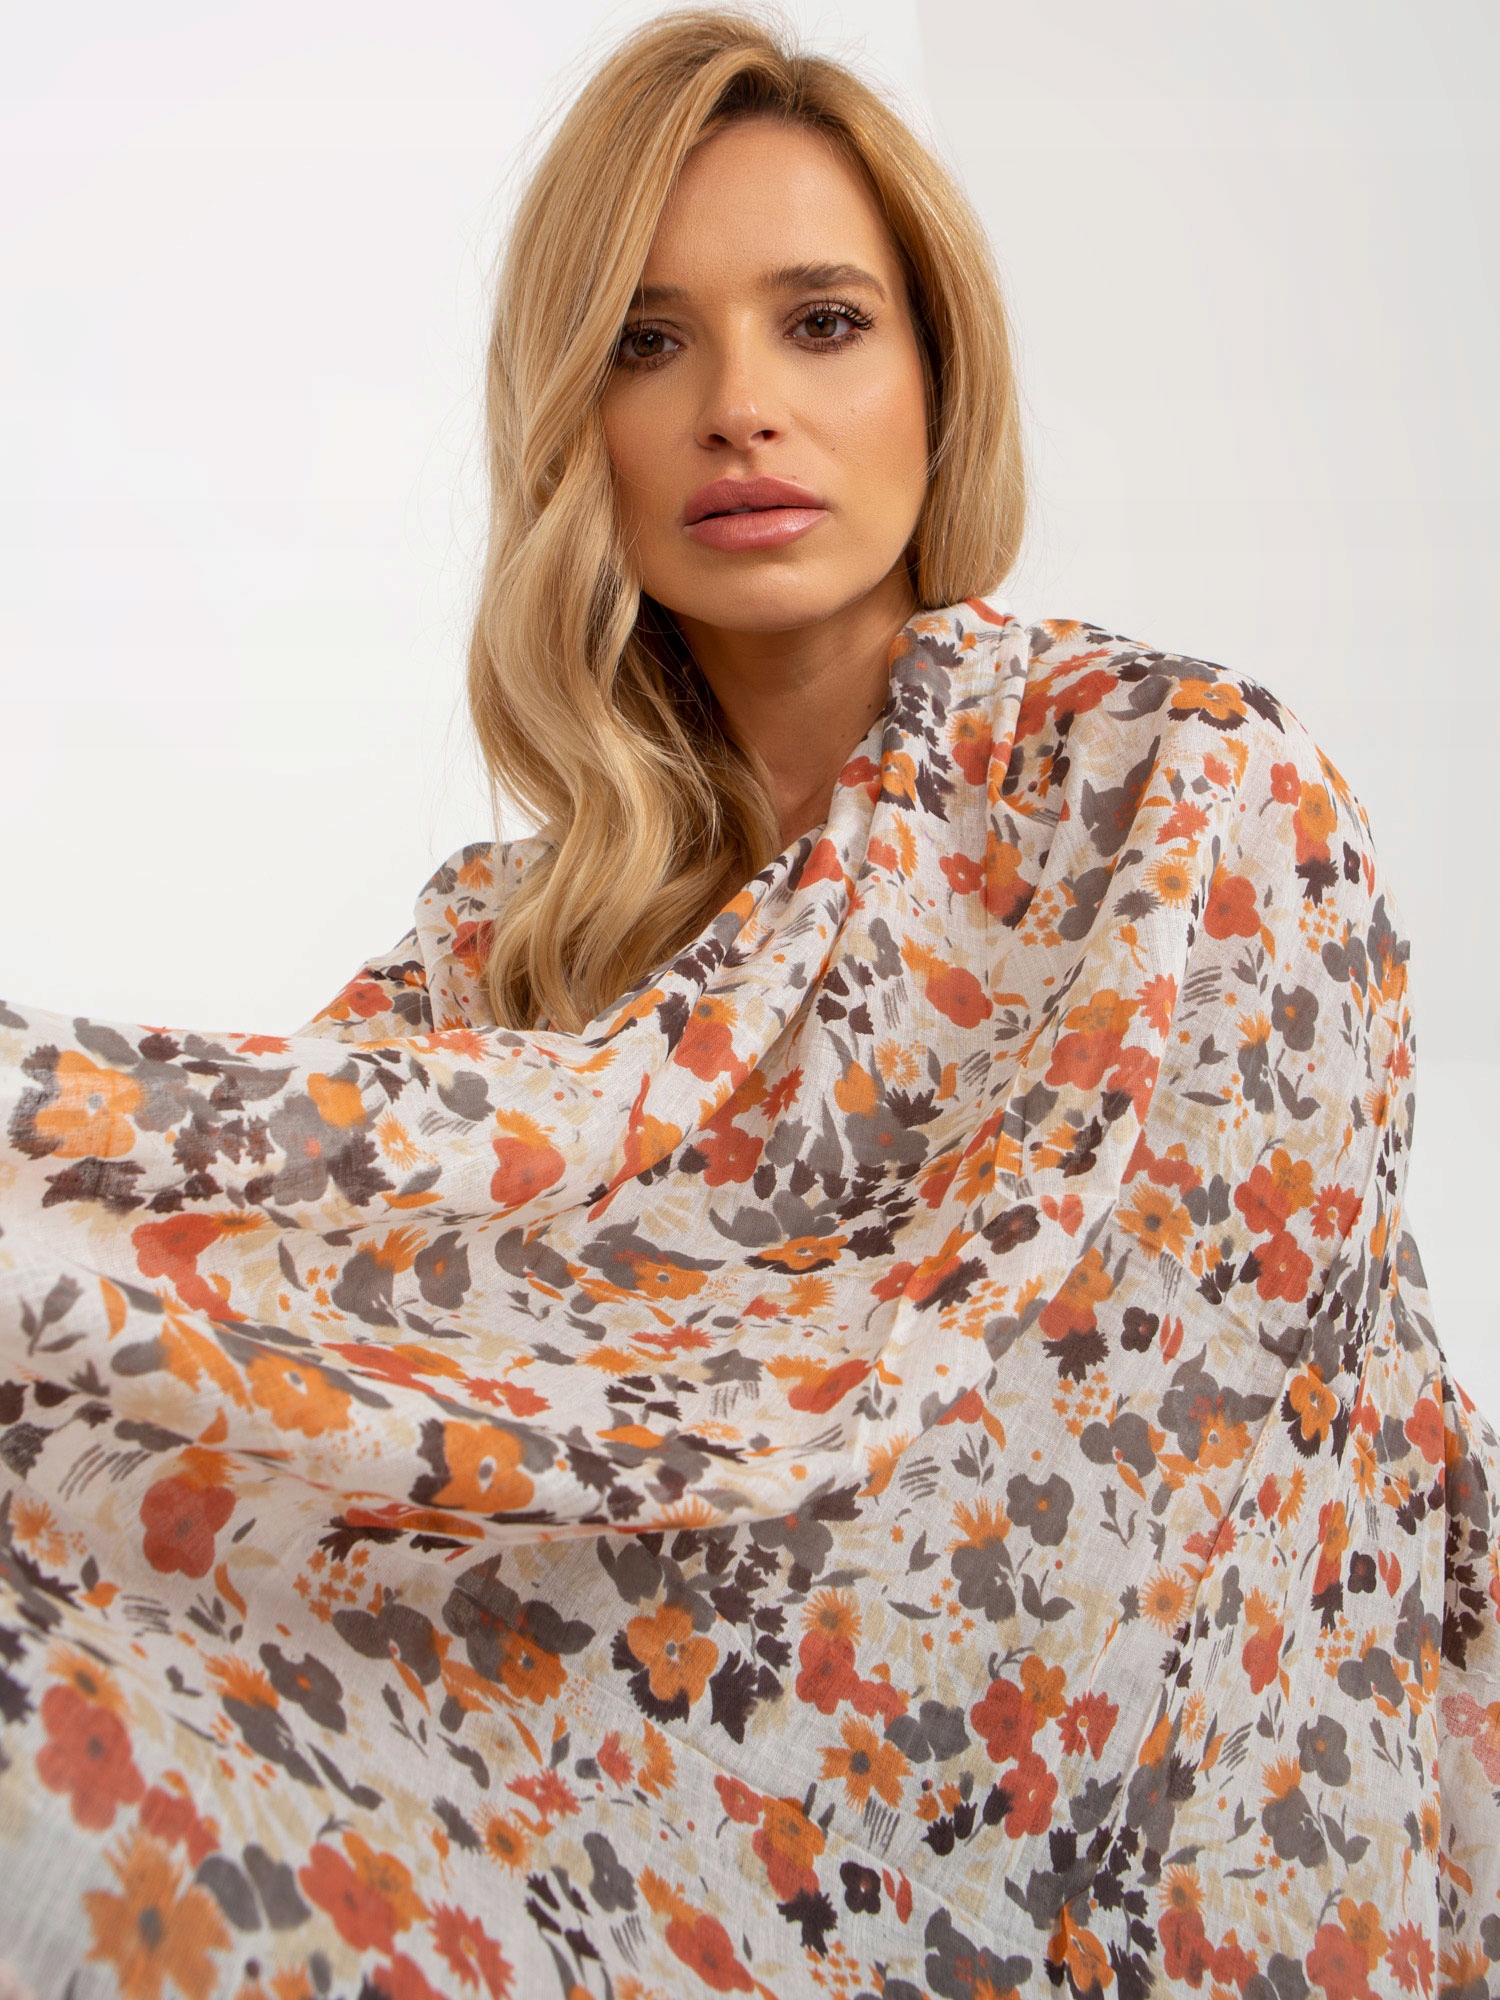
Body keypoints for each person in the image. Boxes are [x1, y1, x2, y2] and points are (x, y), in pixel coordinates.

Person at [0, 12, 1495, 1999]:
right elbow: (254, 1316)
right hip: (579, 1819)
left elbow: (1164, 1482)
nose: (738, 409)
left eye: (822, 323)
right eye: (646, 341)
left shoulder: (1179, 793)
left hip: (1091, 1840)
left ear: (938, 378)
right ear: (574, 423)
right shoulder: (506, 946)